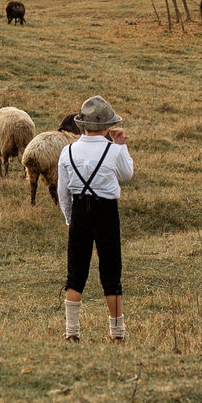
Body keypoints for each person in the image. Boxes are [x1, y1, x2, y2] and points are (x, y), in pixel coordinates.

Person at [55, 95, 133, 343]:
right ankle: (117, 334)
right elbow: (127, 174)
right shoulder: (113, 149)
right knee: (111, 272)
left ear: (83, 125)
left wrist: (69, 219)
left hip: (79, 211)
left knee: (76, 272)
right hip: (107, 213)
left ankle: (71, 332)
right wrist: (120, 145)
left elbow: (63, 191)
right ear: (108, 126)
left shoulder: (67, 151)